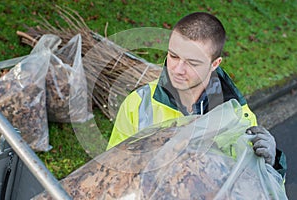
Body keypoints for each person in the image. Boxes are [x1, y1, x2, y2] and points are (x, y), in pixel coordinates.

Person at [107, 12, 286, 177]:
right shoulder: (138, 103)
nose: (177, 70)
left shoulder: (237, 117)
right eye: (173, 56)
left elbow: (255, 187)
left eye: (192, 63)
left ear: (214, 63)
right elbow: (110, 169)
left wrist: (271, 164)